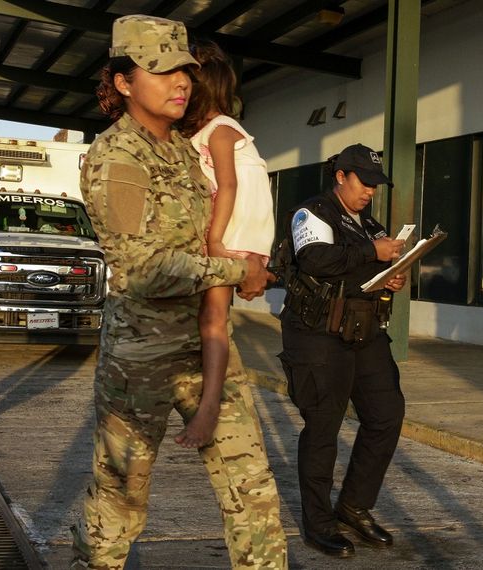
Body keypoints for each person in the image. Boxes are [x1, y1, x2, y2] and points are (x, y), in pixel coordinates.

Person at [70, 15, 287, 570]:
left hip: (203, 339)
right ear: (123, 82)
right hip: (140, 355)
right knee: (122, 495)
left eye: (186, 69)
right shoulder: (119, 157)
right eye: (161, 69)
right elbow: (143, 268)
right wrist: (237, 273)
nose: (181, 81)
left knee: (251, 485)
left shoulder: (186, 152)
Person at [278, 143, 407, 558]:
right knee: (323, 429)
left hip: (363, 329)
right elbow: (315, 259)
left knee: (386, 414)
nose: (370, 191)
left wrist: (390, 277)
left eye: (375, 184)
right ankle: (318, 524)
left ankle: (353, 506)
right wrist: (374, 253)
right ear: (340, 177)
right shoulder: (312, 213)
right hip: (317, 333)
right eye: (363, 182)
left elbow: (367, 268)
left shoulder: (370, 224)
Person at [176, 40, 275, 448]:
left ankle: (210, 407)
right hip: (248, 235)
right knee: (213, 320)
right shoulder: (222, 130)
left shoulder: (218, 130)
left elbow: (229, 185)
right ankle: (211, 400)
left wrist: (215, 239)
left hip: (233, 234)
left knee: (212, 322)